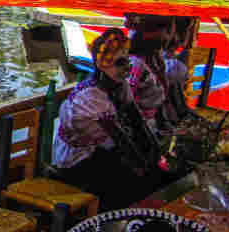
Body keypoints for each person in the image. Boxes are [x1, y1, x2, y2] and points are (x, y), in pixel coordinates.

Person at [52, 28, 166, 211]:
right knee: (132, 180)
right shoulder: (90, 98)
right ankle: (109, 221)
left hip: (101, 149)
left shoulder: (120, 86)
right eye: (120, 63)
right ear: (103, 66)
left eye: (127, 61)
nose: (128, 68)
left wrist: (155, 155)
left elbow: (137, 122)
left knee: (152, 171)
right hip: (76, 160)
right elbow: (122, 141)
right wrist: (145, 168)